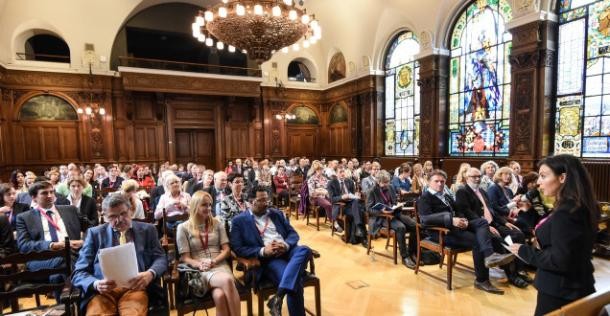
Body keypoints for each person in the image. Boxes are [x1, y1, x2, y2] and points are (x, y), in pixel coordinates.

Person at [508, 155, 598, 316]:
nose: (538, 182)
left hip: (561, 289)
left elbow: (560, 260)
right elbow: (550, 228)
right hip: (575, 283)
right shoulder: (575, 205)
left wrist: (524, 251)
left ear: (562, 177)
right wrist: (528, 211)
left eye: (543, 176)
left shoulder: (567, 212)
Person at [417, 170, 515, 294]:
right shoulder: (425, 198)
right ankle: (482, 280)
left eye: (442, 181)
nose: (440, 184)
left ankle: (493, 258)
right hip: (441, 233)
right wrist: (451, 220)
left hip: (456, 227)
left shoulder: (445, 195)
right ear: (429, 182)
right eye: (436, 181)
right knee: (478, 242)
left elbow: (458, 211)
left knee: (482, 223)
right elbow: (425, 220)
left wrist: (462, 219)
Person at [72, 193, 167, 314]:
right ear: (105, 217)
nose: (120, 220)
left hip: (135, 288)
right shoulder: (95, 234)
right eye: (113, 216)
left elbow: (160, 258)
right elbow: (79, 272)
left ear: (131, 211)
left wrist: (150, 273)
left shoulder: (148, 230)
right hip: (103, 291)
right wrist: (96, 284)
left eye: (123, 213)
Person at [230, 186, 311, 316]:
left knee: (305, 250)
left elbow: (293, 234)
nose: (266, 203)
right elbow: (238, 248)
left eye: (267, 200)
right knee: (295, 284)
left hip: (287, 251)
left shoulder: (276, 213)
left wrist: (285, 245)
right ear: (250, 202)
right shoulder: (239, 221)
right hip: (270, 259)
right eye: (261, 200)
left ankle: (277, 297)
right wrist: (262, 251)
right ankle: (278, 299)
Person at [455, 168, 530, 289]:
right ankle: (512, 275)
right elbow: (466, 212)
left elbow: (492, 211)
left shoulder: (482, 192)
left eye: (479, 176)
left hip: (494, 223)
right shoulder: (462, 191)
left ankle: (520, 269)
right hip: (479, 227)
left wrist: (504, 222)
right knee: (503, 241)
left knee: (518, 234)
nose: (477, 179)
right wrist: (487, 226)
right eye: (474, 176)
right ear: (467, 177)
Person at [176, 191, 241, 316]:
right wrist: (200, 264)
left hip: (219, 264)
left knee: (219, 296)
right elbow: (185, 258)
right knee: (227, 280)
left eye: (210, 205)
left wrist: (214, 261)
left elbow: (227, 250)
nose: (209, 208)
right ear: (195, 205)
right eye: (204, 205)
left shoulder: (217, 223)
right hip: (199, 270)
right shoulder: (183, 228)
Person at [16, 181, 83, 298]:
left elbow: (92, 229)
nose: (50, 195)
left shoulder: (70, 210)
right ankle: (79, 297)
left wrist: (83, 241)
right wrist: (52, 245)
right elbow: (24, 245)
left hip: (72, 252)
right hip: (42, 259)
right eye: (44, 193)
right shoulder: (24, 218)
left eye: (52, 192)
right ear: (34, 198)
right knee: (65, 259)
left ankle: (64, 307)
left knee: (56, 276)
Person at [367, 170, 417, 268]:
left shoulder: (390, 187)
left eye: (387, 182)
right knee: (401, 228)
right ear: (378, 181)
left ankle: (412, 252)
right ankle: (405, 257)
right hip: (381, 217)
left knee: (414, 225)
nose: (386, 184)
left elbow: (394, 202)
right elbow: (369, 209)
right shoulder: (372, 191)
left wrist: (398, 205)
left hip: (394, 213)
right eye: (384, 183)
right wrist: (382, 211)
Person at [328, 166, 368, 247]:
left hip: (351, 204)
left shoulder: (349, 181)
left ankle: (359, 234)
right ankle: (363, 236)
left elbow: (352, 195)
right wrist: (342, 197)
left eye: (343, 172)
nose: (343, 174)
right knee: (360, 211)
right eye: (340, 172)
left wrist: (355, 195)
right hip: (341, 206)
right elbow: (332, 199)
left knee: (356, 203)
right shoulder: (331, 183)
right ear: (336, 173)